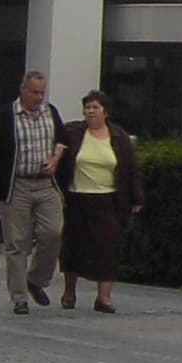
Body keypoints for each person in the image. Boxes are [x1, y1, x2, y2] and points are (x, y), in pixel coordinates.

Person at [0, 70, 66, 315]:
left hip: (45, 184)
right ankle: (19, 297)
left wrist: (55, 159)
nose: (38, 98)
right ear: (22, 90)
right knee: (17, 243)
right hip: (17, 185)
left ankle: (36, 279)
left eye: (42, 93)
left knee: (53, 233)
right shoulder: (7, 116)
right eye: (34, 92)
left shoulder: (51, 112)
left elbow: (62, 140)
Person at [52, 90, 142, 314]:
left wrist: (136, 197)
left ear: (105, 112)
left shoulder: (119, 138)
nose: (90, 112)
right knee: (73, 245)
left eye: (95, 108)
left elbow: (130, 169)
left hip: (108, 199)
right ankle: (69, 292)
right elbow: (59, 152)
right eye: (87, 108)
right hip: (77, 197)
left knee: (108, 246)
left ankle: (103, 297)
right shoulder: (73, 133)